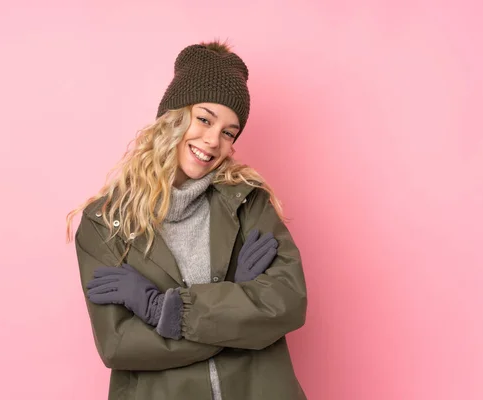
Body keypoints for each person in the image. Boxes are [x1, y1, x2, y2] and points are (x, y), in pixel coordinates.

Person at [66, 40, 308, 400]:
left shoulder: (248, 201)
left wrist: (163, 310)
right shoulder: (105, 223)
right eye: (205, 119)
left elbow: (287, 303)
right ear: (174, 116)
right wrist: (234, 311)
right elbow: (120, 346)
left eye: (229, 131)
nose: (213, 141)